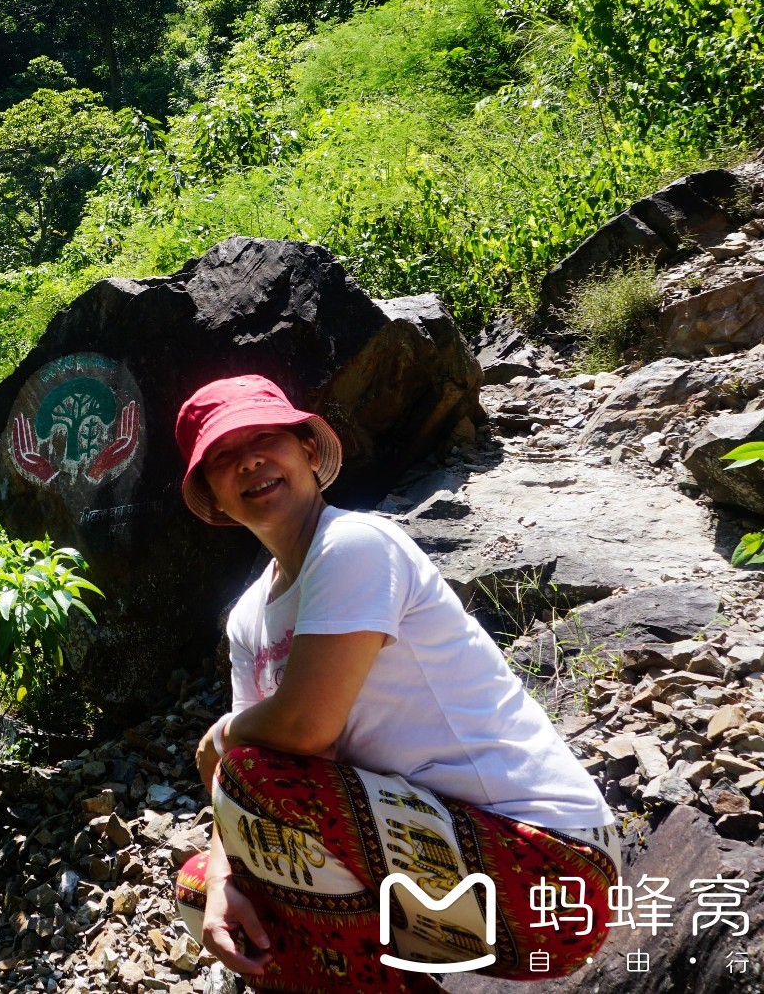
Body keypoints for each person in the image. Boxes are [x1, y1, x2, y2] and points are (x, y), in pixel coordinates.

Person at [170, 375, 619, 990]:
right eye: (222, 456)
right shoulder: (250, 615)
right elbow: (239, 784)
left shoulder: (354, 546)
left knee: (250, 771)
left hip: (551, 872)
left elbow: (301, 731)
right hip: (431, 865)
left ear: (307, 451)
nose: (249, 459)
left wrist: (218, 739)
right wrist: (225, 878)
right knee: (202, 890)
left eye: (267, 437)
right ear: (214, 497)